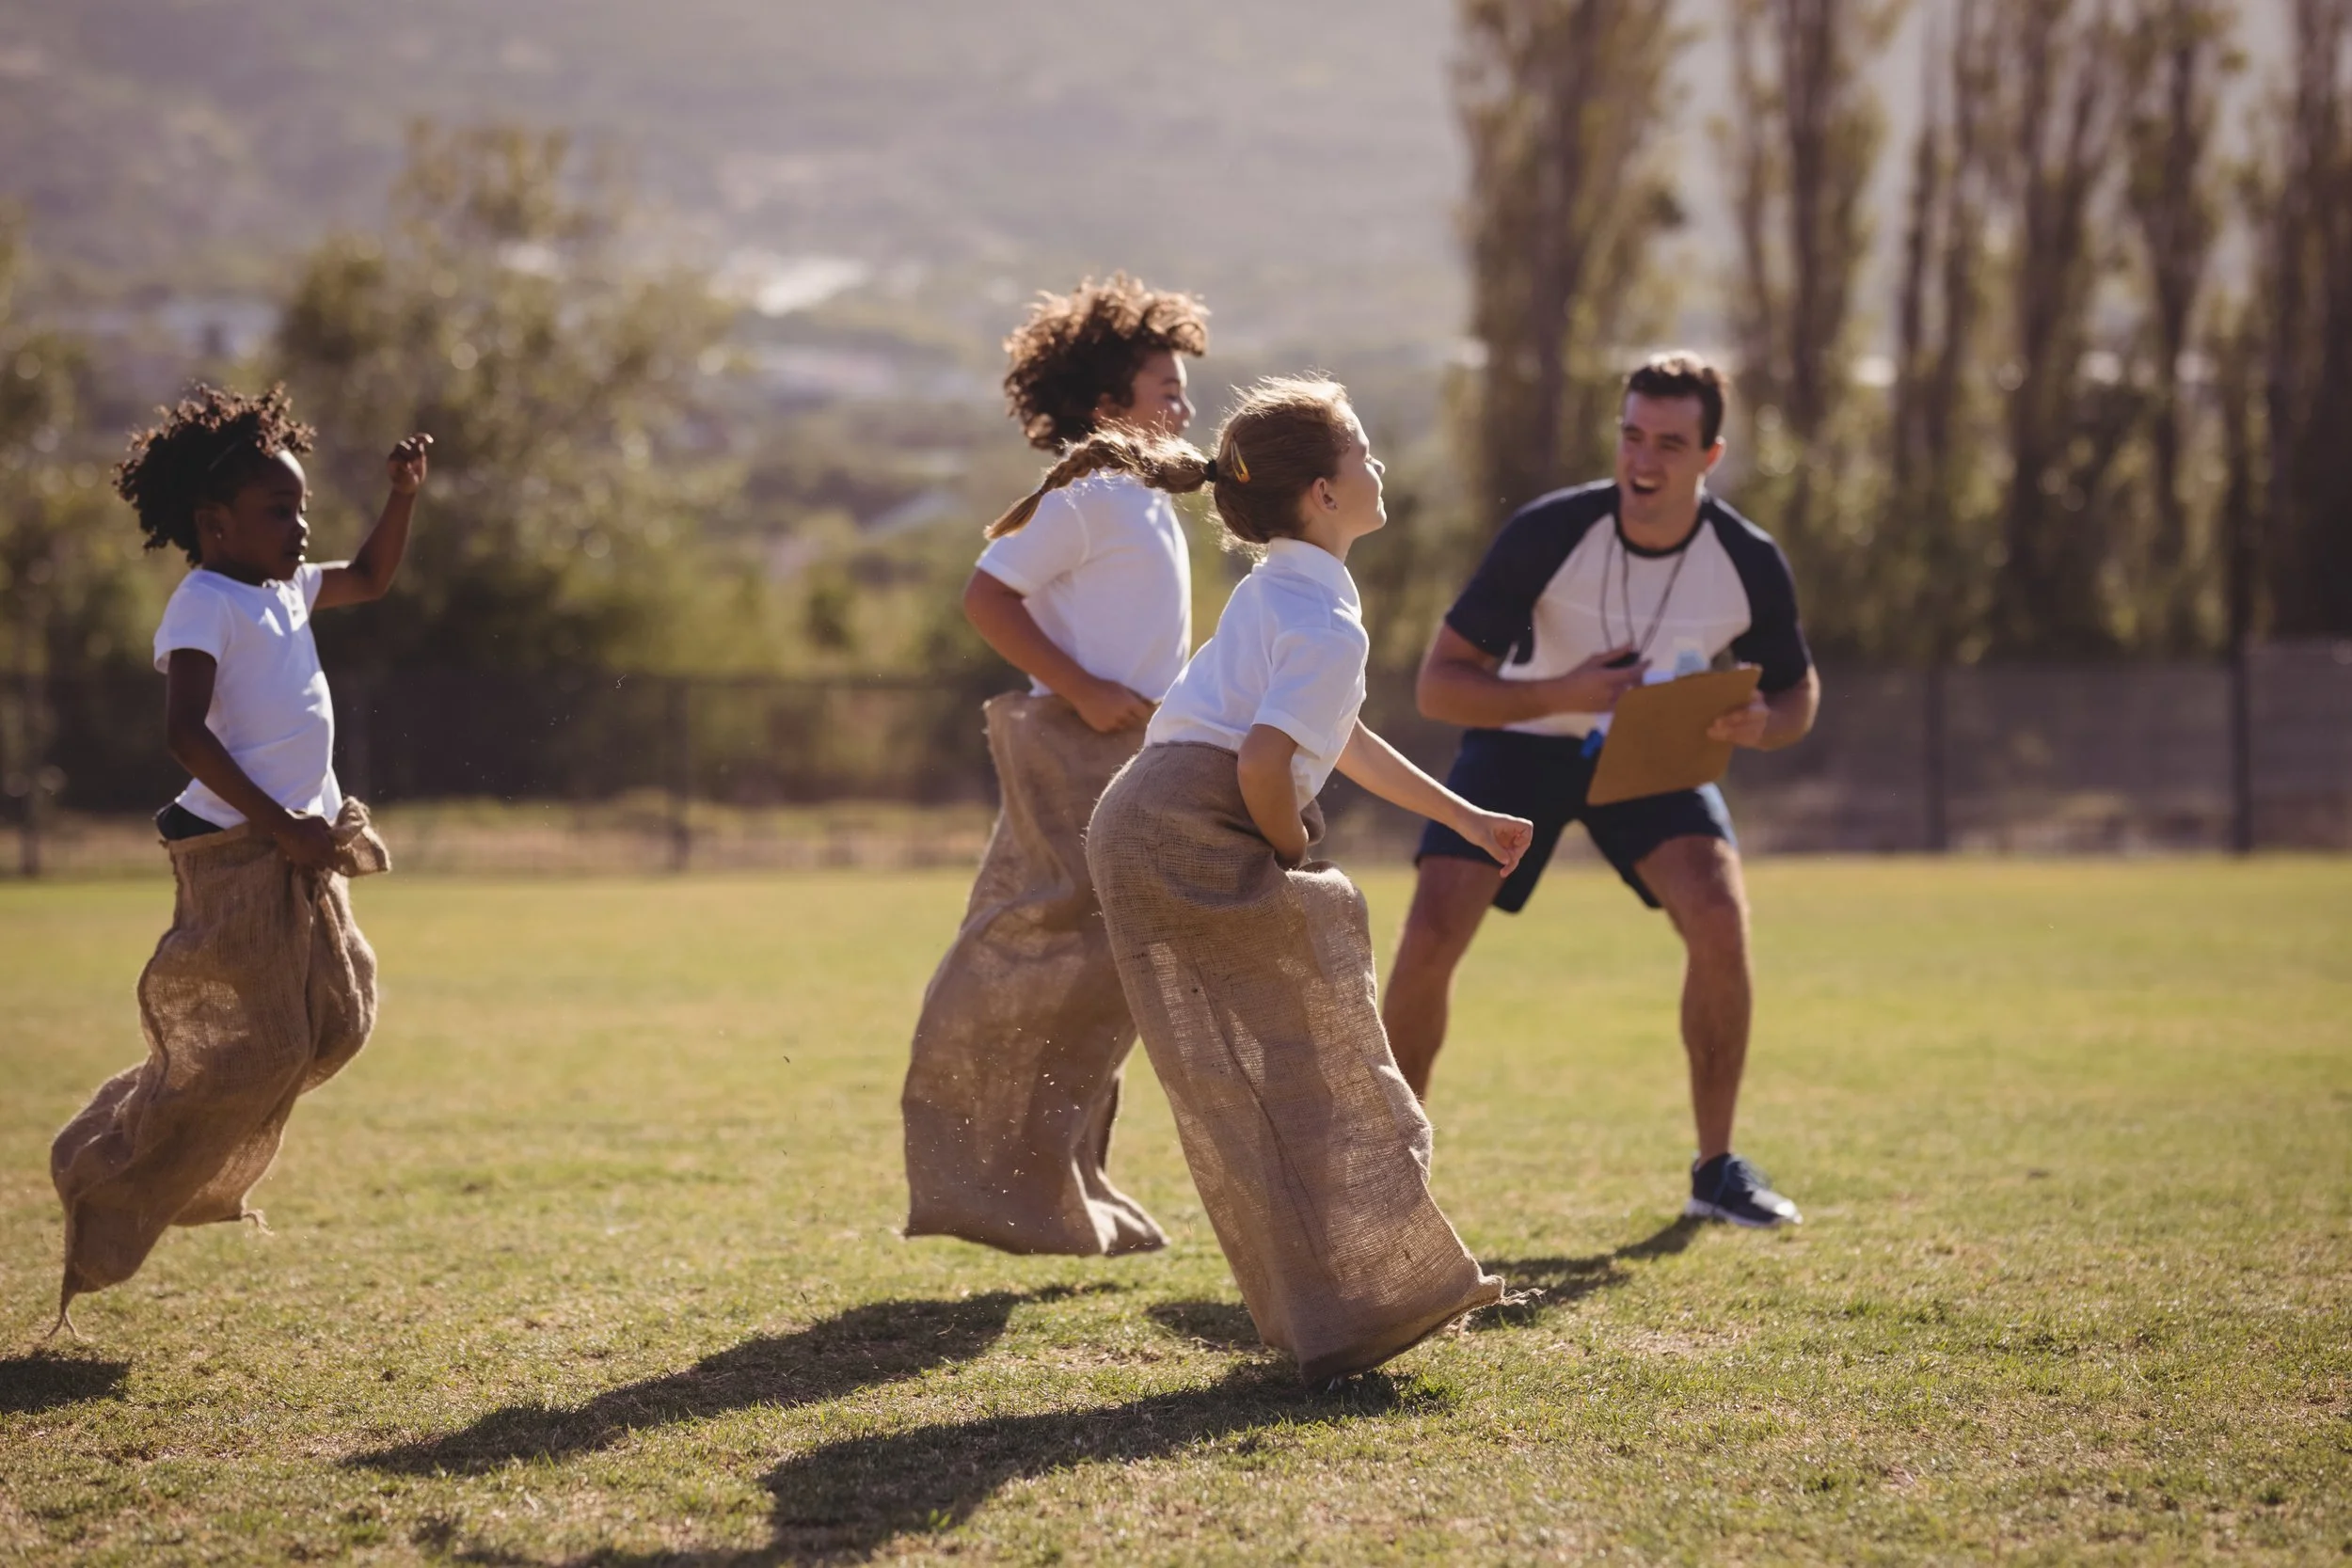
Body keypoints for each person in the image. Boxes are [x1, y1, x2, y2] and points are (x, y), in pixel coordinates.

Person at [1076, 376, 1533, 1384]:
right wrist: (1285, 852)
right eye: (1362, 452)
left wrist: (1463, 817)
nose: (1377, 467)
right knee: (1311, 1059)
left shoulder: (1286, 589)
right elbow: (1260, 763)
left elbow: (1338, 734)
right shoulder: (1325, 617)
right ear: (1322, 494)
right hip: (1187, 828)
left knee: (1285, 1068)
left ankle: (1338, 1304)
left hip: (1143, 818)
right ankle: (1366, 1297)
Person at [1384, 354, 1821, 1228]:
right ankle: (1386, 1171)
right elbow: (1439, 686)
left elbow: (1798, 693)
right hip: (1521, 744)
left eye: (1669, 441)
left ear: (1710, 455)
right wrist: (1560, 693)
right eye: (1631, 435)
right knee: (1431, 928)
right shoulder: (1551, 533)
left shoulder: (1746, 559)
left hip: (1654, 757)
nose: (1643, 459)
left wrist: (1761, 722)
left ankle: (1715, 1171)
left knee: (1720, 917)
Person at [49, 384, 429, 1327]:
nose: (299, 525)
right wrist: (275, 824)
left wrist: (404, 495)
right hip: (230, 848)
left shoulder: (289, 591)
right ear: (216, 524)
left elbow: (374, 577)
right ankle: (101, 1159)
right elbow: (185, 734)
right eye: (278, 510)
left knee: (335, 1019)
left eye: (301, 506)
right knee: (259, 1044)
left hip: (295, 846)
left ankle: (146, 1116)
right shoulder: (203, 603)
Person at [901, 274, 1209, 1256]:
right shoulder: (1085, 493)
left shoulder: (1142, 497)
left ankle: (1068, 1174)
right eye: (1166, 387)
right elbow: (986, 599)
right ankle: (1005, 1177)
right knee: (1063, 958)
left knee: (1107, 969)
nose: (1183, 404)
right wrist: (1079, 688)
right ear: (1107, 403)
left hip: (1134, 749)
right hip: (1078, 752)